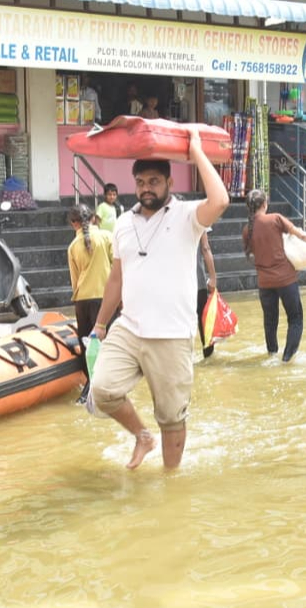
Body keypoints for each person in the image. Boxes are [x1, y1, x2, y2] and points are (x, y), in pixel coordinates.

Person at [89, 127, 229, 469]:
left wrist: (196, 151)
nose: (146, 188)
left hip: (171, 334)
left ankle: (171, 481)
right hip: (130, 328)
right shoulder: (122, 222)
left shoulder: (187, 216)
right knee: (103, 390)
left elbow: (221, 200)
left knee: (171, 417)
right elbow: (116, 278)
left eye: (153, 181)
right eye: (140, 182)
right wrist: (100, 324)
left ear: (169, 183)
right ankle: (141, 436)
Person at [241, 189, 306, 362]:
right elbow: (300, 234)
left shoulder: (246, 230)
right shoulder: (275, 219)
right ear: (265, 204)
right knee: (295, 319)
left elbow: (252, 255)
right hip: (286, 279)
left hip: (264, 283)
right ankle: (287, 359)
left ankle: (272, 355)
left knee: (270, 322)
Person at [66, 202, 114, 403]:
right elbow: (117, 268)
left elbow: (74, 279)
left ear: (73, 224)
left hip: (82, 301)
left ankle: (89, 387)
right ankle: (95, 390)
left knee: (87, 346)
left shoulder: (73, 246)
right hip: (105, 298)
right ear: (94, 218)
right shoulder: (106, 237)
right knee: (106, 345)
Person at [194, 232, 218, 359]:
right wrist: (213, 277)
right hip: (197, 282)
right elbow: (205, 247)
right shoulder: (197, 215)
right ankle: (209, 357)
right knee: (204, 324)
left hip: (176, 285)